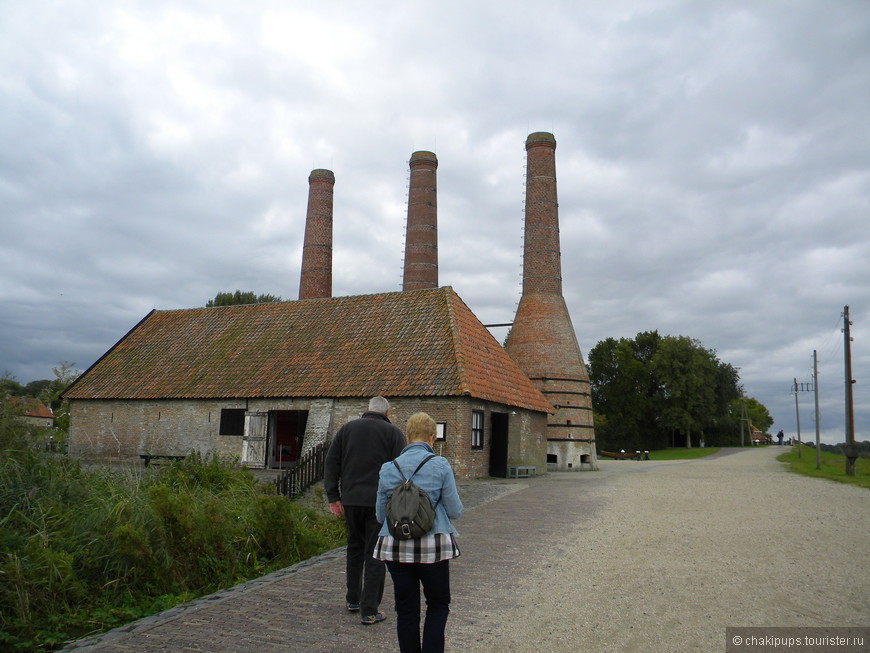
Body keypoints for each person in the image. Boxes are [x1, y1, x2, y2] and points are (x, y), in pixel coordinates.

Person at [374, 412, 463, 653]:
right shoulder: (440, 465)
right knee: (437, 603)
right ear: (432, 437)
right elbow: (455, 510)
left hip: (395, 548)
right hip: (432, 547)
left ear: (406, 436)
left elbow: (381, 516)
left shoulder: (387, 468)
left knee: (406, 609)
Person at [324, 396, 406, 625]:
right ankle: (369, 610)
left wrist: (333, 497)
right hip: (378, 503)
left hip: (350, 500)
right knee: (375, 553)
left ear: (366, 410)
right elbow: (400, 469)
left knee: (354, 548)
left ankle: (353, 599)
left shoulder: (346, 430)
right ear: (387, 413)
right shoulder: (393, 434)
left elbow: (332, 463)